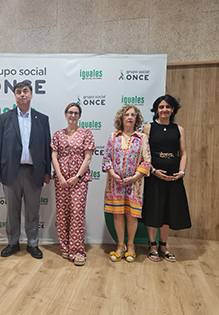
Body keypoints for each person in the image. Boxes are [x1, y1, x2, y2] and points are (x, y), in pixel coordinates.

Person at [0, 81, 52, 259]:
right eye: (18, 92)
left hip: (35, 172)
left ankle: (33, 244)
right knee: (12, 211)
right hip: (11, 172)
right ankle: (12, 243)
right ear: (15, 96)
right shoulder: (4, 118)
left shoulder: (42, 119)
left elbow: (46, 146)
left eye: (25, 91)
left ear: (31, 94)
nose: (22, 94)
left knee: (33, 211)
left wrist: (47, 170)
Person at [142, 95, 191, 262]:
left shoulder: (179, 129)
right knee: (153, 208)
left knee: (169, 210)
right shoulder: (148, 128)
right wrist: (153, 170)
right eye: (161, 107)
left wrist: (182, 172)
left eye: (168, 107)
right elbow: (144, 154)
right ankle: (152, 245)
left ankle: (163, 245)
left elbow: (183, 153)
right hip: (154, 175)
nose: (165, 110)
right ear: (156, 109)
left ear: (173, 110)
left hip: (173, 175)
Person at [102, 105, 151, 262]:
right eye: (127, 114)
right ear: (121, 118)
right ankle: (120, 246)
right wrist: (113, 174)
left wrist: (134, 177)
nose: (130, 117)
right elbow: (106, 158)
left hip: (134, 184)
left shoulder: (142, 138)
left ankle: (131, 246)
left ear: (137, 119)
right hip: (115, 183)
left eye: (133, 115)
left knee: (132, 215)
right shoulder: (113, 137)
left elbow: (147, 160)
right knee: (118, 215)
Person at [51, 102, 95, 266]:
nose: (73, 115)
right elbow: (54, 156)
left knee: (76, 213)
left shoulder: (86, 134)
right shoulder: (57, 134)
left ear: (79, 116)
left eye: (76, 113)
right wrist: (60, 176)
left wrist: (77, 176)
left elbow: (88, 157)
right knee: (62, 213)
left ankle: (77, 251)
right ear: (65, 114)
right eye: (70, 112)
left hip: (80, 179)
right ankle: (65, 247)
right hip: (61, 179)